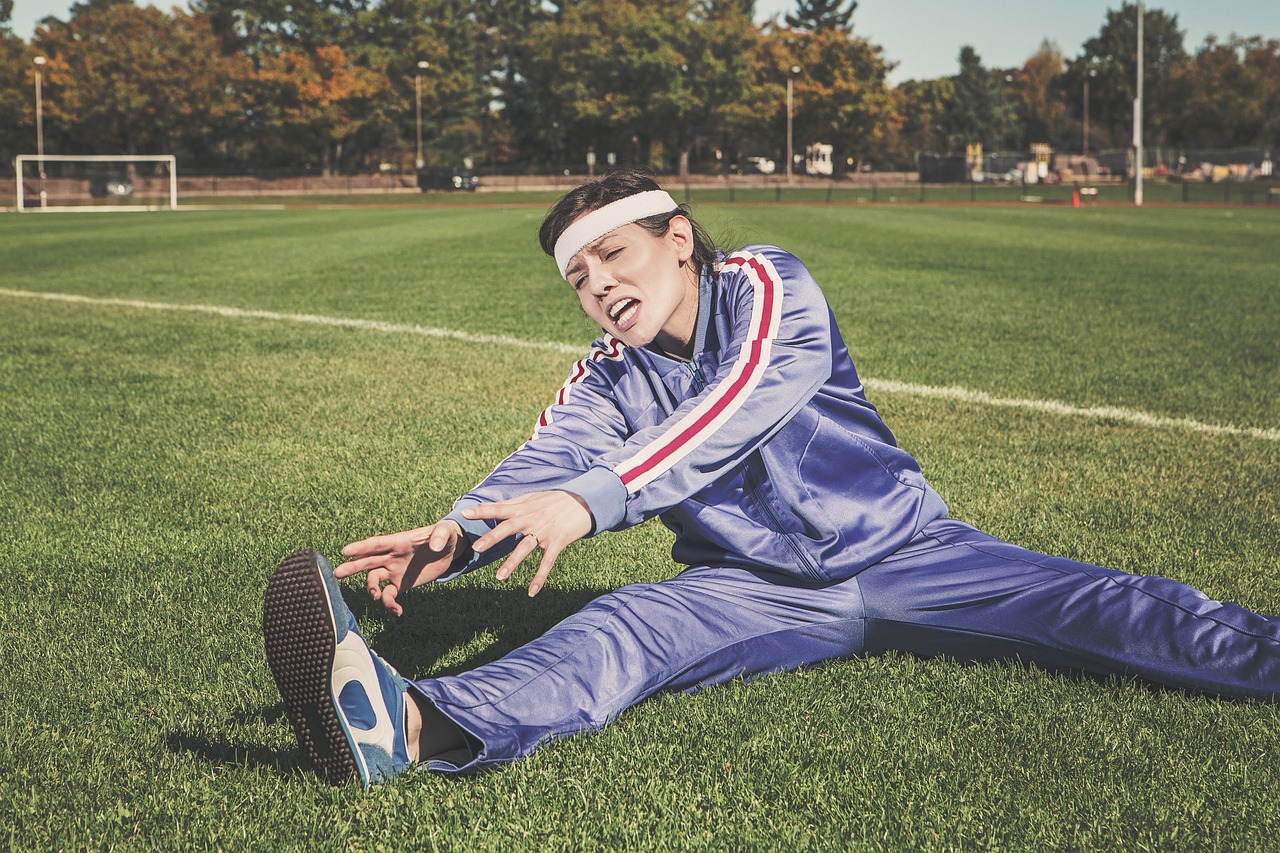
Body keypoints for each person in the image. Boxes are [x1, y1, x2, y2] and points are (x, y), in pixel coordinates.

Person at [263, 168, 1280, 788]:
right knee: (617, 632)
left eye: (612, 255)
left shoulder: (764, 285)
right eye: (577, 277)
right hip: (747, 589)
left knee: (1111, 609)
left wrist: (592, 499)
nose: (598, 287)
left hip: (910, 553)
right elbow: (543, 464)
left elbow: (738, 402)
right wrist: (456, 536)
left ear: (675, 239)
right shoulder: (605, 377)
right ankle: (403, 725)